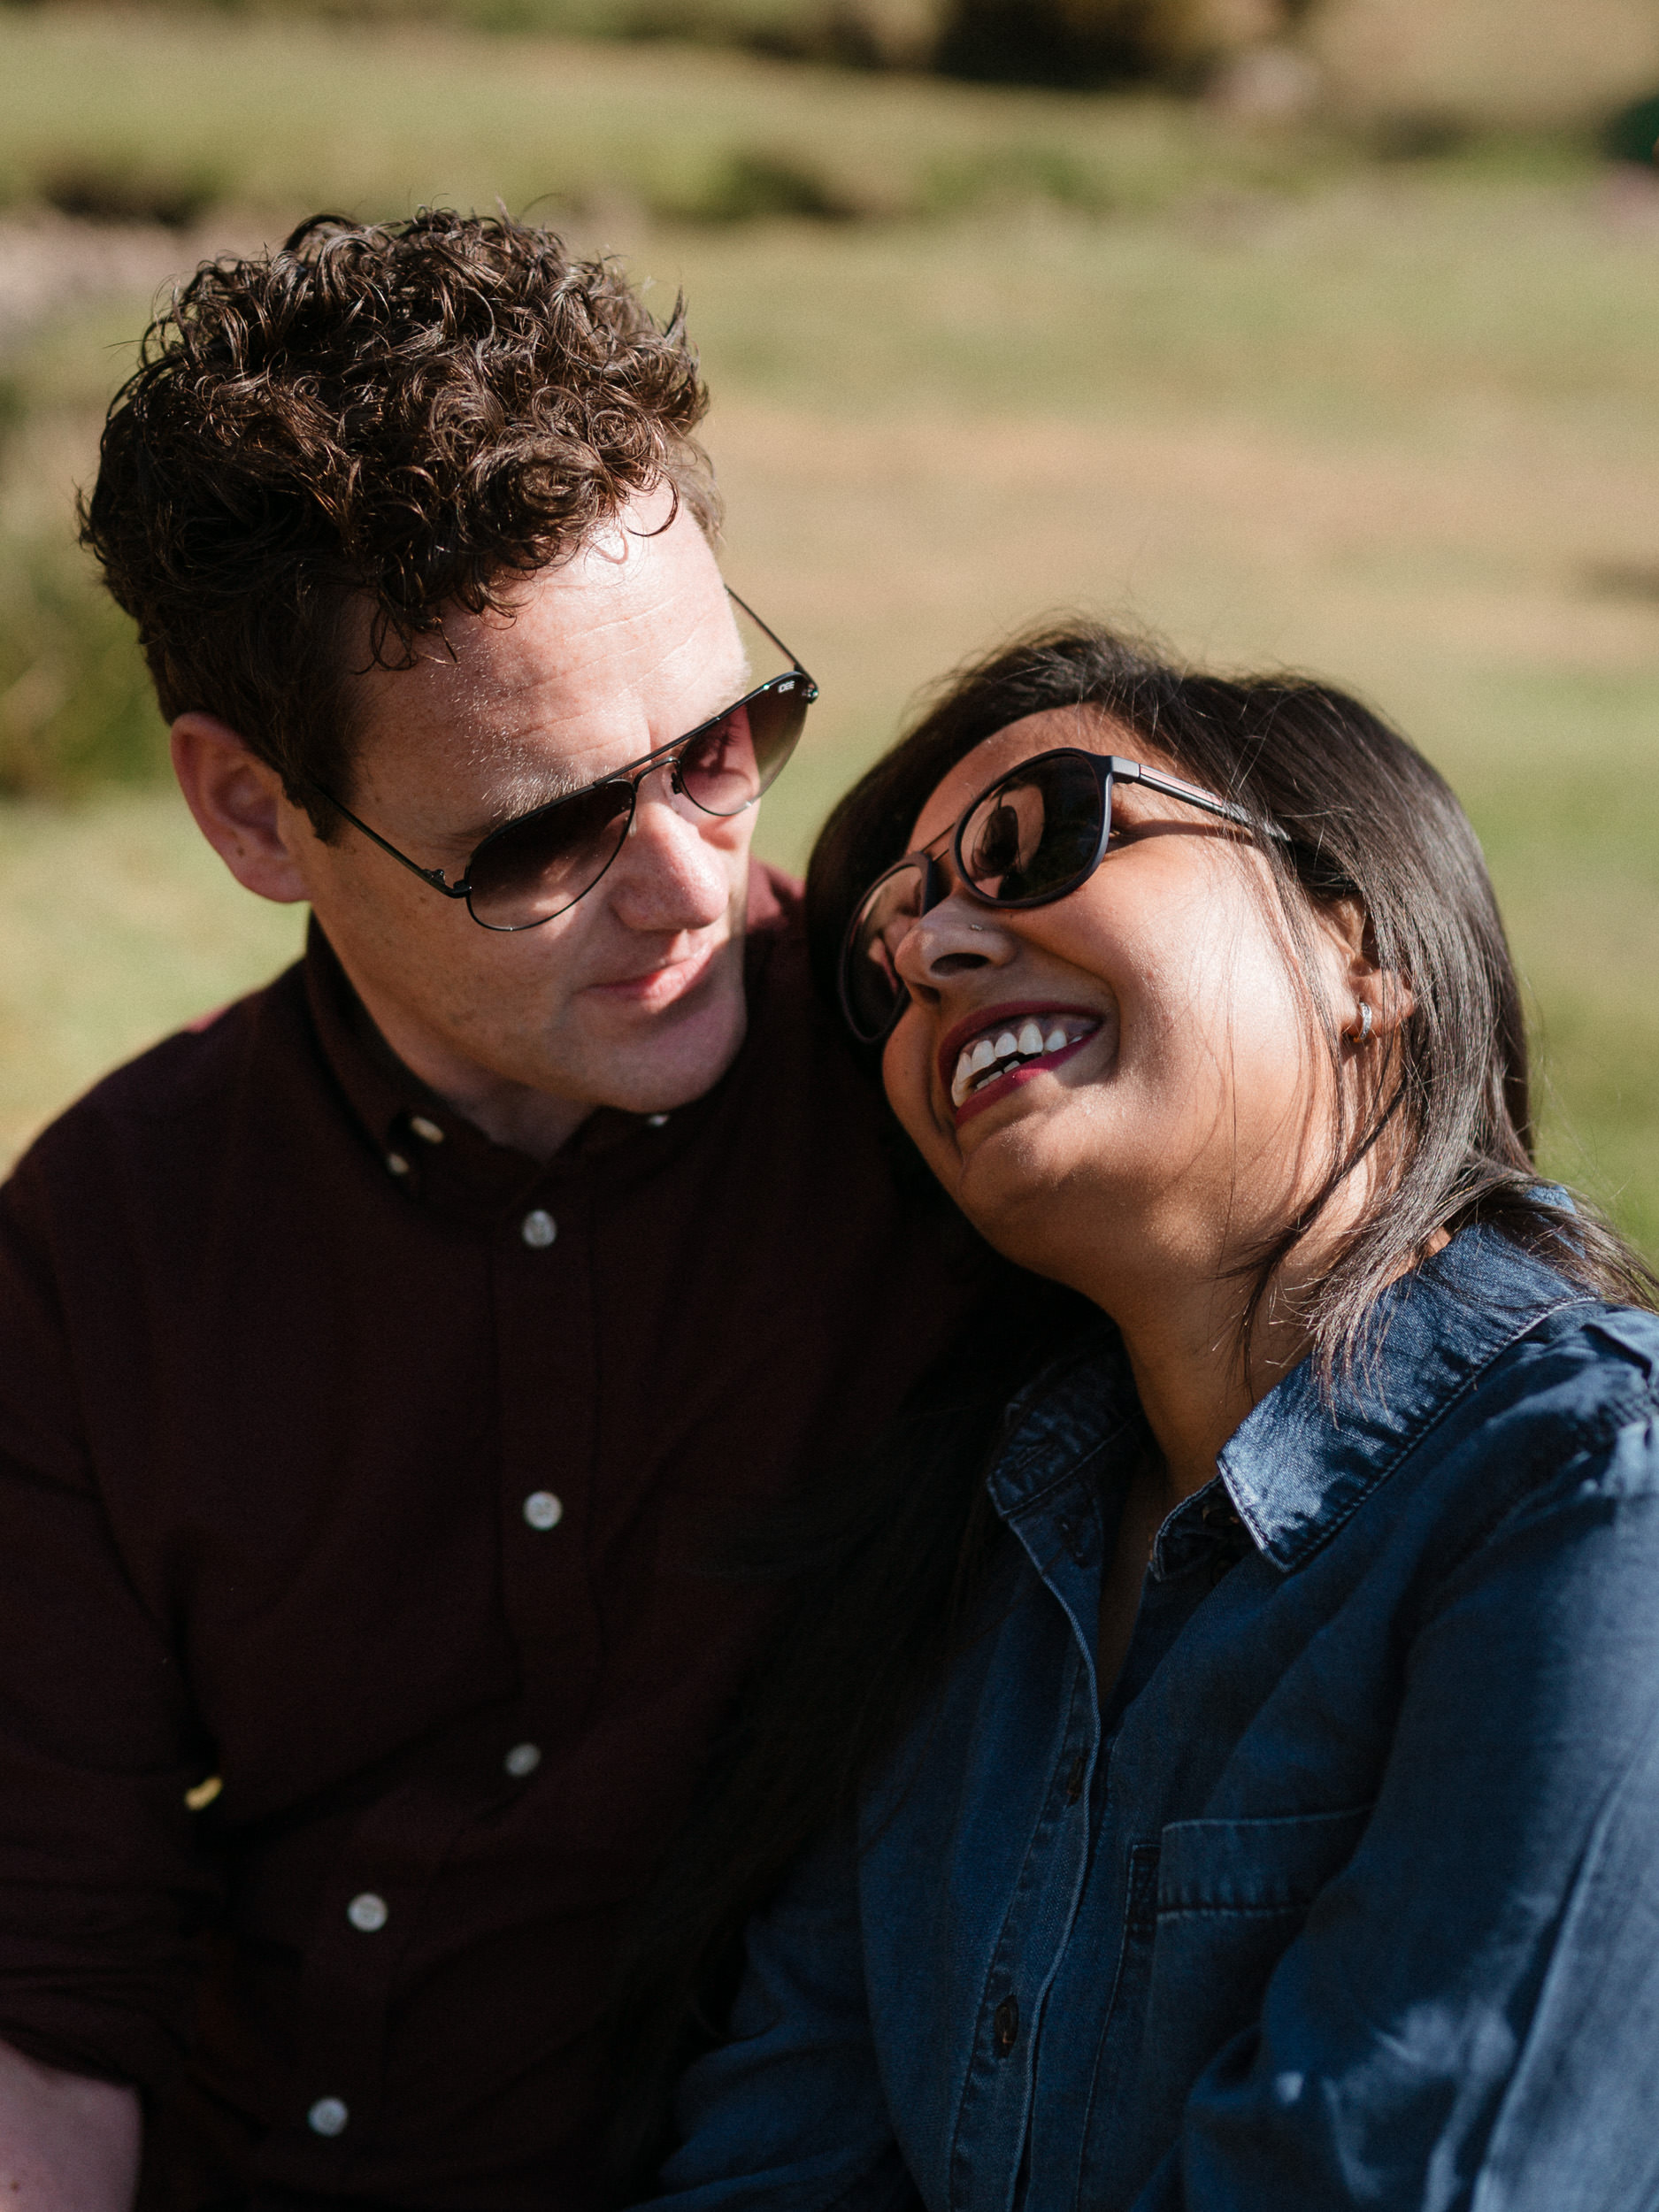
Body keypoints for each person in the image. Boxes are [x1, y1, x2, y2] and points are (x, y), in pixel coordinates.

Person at [0, 211, 994, 2210]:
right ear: (253, 812)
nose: (691, 882)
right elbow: (50, 2001)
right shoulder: (106, 1245)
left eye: (722, 744)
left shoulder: (948, 1108)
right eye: (547, 829)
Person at [618, 623, 1659, 2211]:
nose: (933, 951)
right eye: (887, 956)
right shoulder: (946, 1580)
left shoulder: (1594, 1498)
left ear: (1360, 947)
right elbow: (772, 2156)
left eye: (1029, 840)